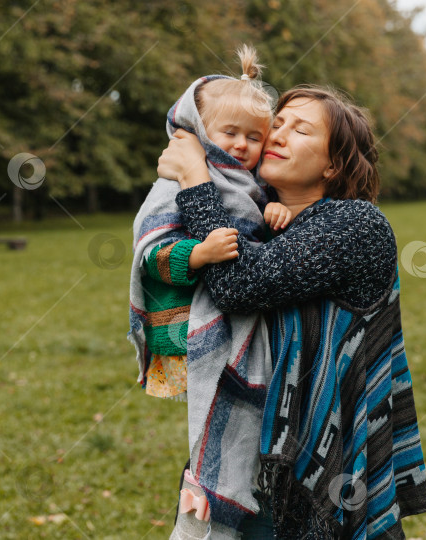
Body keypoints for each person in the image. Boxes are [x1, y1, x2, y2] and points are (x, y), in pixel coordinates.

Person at [158, 86, 426, 539]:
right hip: (240, 454)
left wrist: (194, 177)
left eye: (301, 129)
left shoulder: (355, 225)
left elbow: (238, 285)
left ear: (334, 164)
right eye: (277, 124)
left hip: (314, 474)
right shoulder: (256, 218)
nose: (278, 135)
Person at [128, 45, 292, 540]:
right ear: (201, 133)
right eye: (230, 133)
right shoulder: (177, 180)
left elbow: (262, 245)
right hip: (202, 322)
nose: (241, 146)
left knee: (252, 432)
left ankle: (236, 508)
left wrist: (277, 215)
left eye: (255, 137)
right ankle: (215, 508)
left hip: (249, 321)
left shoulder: (257, 187)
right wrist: (197, 256)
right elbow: (152, 251)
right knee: (223, 422)